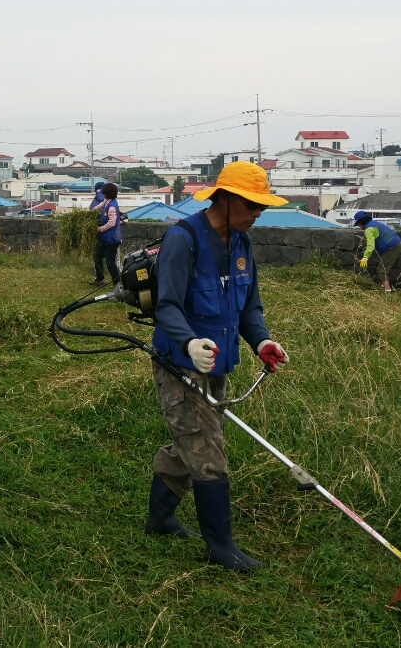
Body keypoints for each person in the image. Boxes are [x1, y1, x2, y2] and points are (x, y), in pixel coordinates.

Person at [145, 161, 290, 573]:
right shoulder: (183, 240)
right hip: (180, 365)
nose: (257, 214)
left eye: (261, 207)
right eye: (251, 205)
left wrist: (261, 340)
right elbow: (167, 305)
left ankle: (159, 518)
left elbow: (249, 307)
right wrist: (189, 342)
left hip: (218, 364)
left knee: (191, 443)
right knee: (207, 451)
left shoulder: (242, 244)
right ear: (224, 199)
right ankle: (220, 547)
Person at [352, 211, 401, 292]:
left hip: (392, 247)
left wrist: (365, 258)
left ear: (362, 222)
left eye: (358, 224)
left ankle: (387, 291)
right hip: (397, 243)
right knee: (384, 266)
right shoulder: (375, 223)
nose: (359, 226)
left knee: (381, 269)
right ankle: (383, 285)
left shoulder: (369, 229)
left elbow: (371, 245)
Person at [92, 182, 124, 287]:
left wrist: (100, 228)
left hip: (112, 239)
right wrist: (91, 213)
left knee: (110, 262)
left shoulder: (112, 207)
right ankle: (99, 279)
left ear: (106, 193)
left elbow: (112, 223)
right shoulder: (107, 202)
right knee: (97, 256)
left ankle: (117, 283)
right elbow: (99, 206)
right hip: (106, 238)